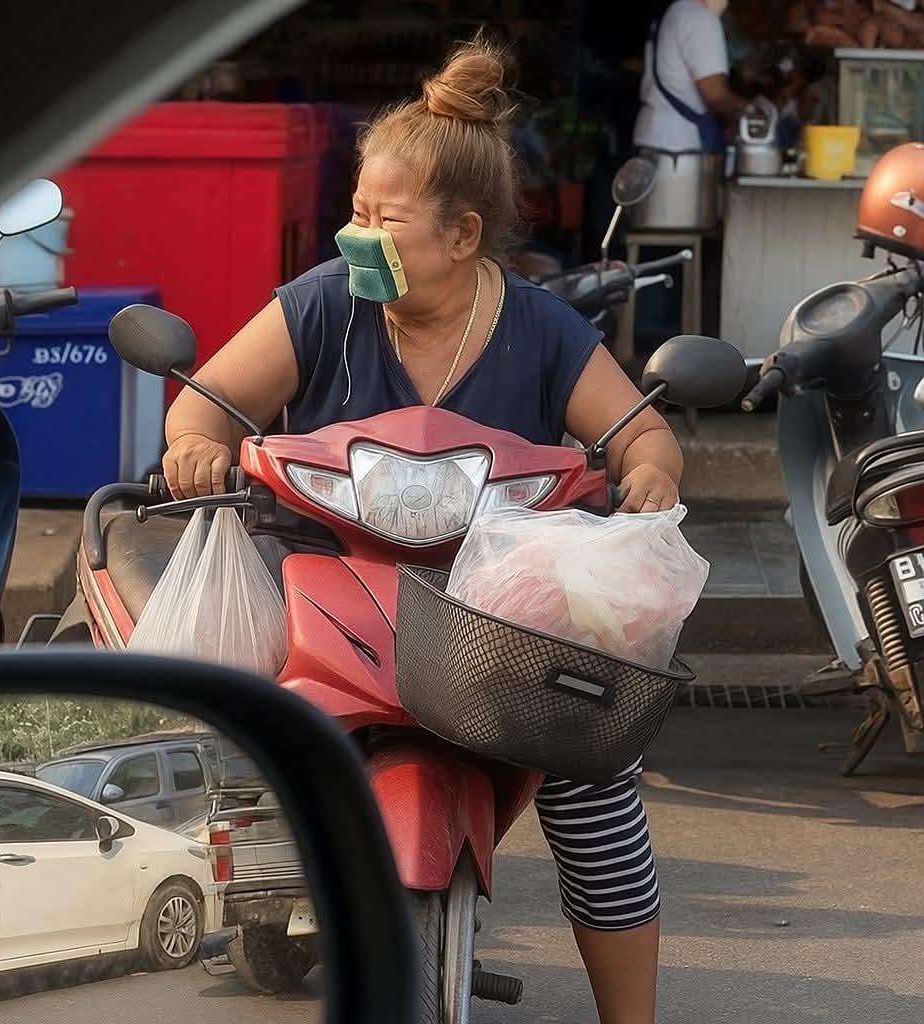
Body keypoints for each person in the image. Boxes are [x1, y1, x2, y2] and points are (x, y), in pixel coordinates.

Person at [164, 36, 682, 1024]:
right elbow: (210, 402)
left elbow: (640, 433)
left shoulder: (539, 326)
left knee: (594, 780)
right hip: (332, 585)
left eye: (381, 220)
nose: (355, 235)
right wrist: (195, 443)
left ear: (462, 234)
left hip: (495, 607)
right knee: (228, 735)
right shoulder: (323, 304)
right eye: (353, 211)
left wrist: (650, 472)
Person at [633, 0, 750, 155]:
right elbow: (715, 97)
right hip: (678, 146)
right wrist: (754, 110)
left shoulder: (675, 11)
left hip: (656, 136)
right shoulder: (700, 19)